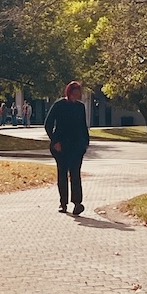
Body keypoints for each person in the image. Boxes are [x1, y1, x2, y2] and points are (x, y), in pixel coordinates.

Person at [45, 80, 90, 215]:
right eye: (75, 93)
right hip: (61, 145)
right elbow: (48, 124)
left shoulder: (80, 107)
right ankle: (63, 203)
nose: (77, 96)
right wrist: (55, 141)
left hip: (77, 145)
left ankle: (77, 203)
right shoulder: (59, 105)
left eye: (79, 93)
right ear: (69, 92)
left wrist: (85, 143)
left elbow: (83, 126)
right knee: (62, 173)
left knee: (75, 174)